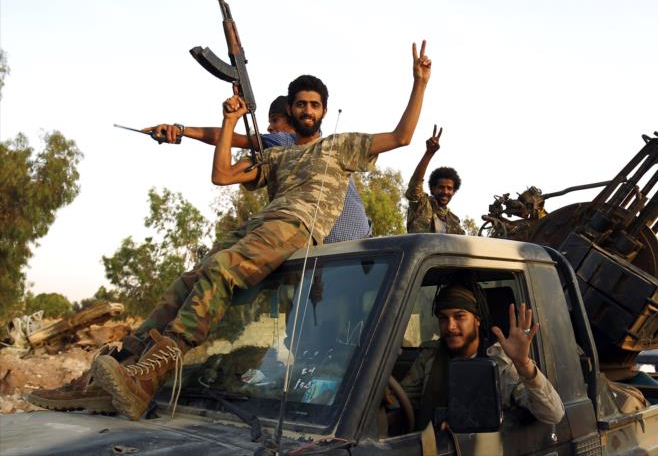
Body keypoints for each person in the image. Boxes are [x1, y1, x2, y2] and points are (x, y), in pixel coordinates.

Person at [33, 41, 433, 421]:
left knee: (224, 268)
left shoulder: (342, 146)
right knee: (187, 282)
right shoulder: (277, 155)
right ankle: (116, 371)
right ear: (291, 110)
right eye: (300, 104)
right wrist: (229, 121)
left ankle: (150, 377)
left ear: (323, 110)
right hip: (262, 222)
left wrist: (419, 84)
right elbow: (222, 175)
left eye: (314, 104)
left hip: (298, 223)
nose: (306, 109)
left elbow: (401, 137)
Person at [142, 95, 371, 244]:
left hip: (338, 245)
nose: (270, 127)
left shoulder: (286, 142)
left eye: (275, 120)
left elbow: (232, 138)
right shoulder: (320, 150)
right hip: (358, 238)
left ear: (292, 119)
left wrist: (181, 130)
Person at [400, 283, 564, 430]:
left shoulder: (499, 363)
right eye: (443, 318)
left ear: (477, 320)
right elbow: (402, 402)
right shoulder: (430, 358)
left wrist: (523, 364)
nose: (450, 326)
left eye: (459, 316)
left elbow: (553, 414)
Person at [405, 125, 464, 234]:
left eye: (449, 188)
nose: (445, 192)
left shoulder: (454, 221)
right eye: (441, 187)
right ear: (433, 188)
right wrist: (428, 153)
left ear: (454, 191)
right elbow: (415, 186)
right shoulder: (422, 205)